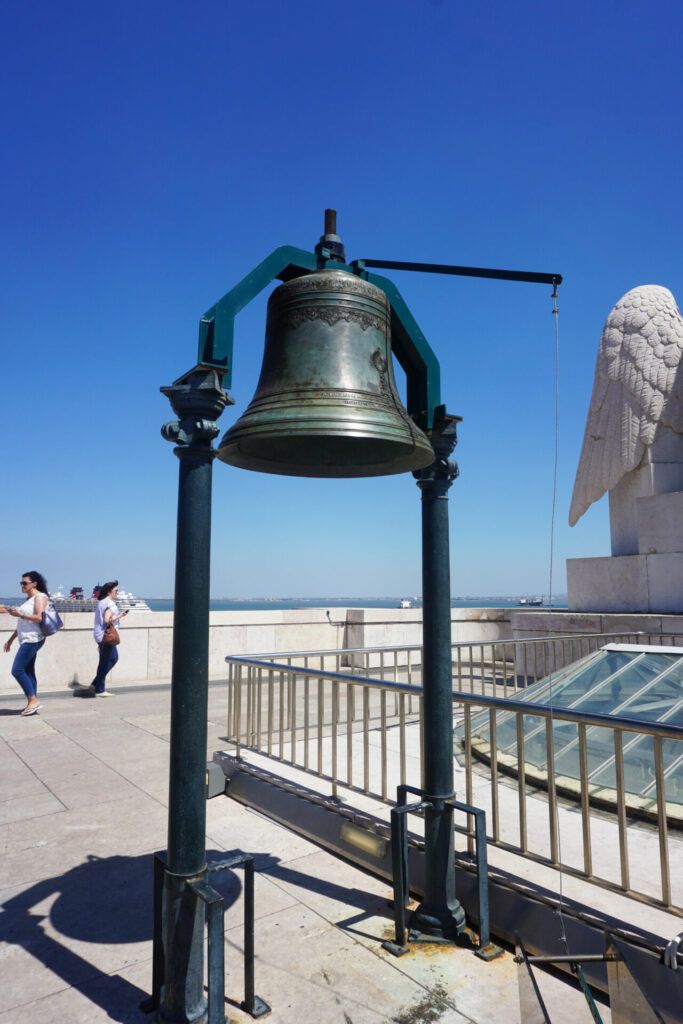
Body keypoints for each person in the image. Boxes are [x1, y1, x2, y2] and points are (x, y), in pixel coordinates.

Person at [1, 571, 49, 716]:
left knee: (17, 670)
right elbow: (22, 624)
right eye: (21, 583)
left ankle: (33, 700)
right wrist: (10, 640)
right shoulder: (29, 598)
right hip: (27, 638)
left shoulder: (40, 597)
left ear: (34, 583)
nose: (22, 585)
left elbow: (39, 618)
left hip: (33, 639)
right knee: (28, 671)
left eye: (25, 583)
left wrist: (20, 614)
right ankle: (33, 703)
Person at [89, 580, 129, 697]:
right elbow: (107, 620)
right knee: (106, 661)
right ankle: (99, 689)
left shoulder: (102, 602)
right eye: (116, 590)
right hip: (106, 636)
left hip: (100, 635)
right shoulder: (109, 603)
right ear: (109, 592)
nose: (117, 592)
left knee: (111, 659)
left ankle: (96, 683)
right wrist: (121, 615)